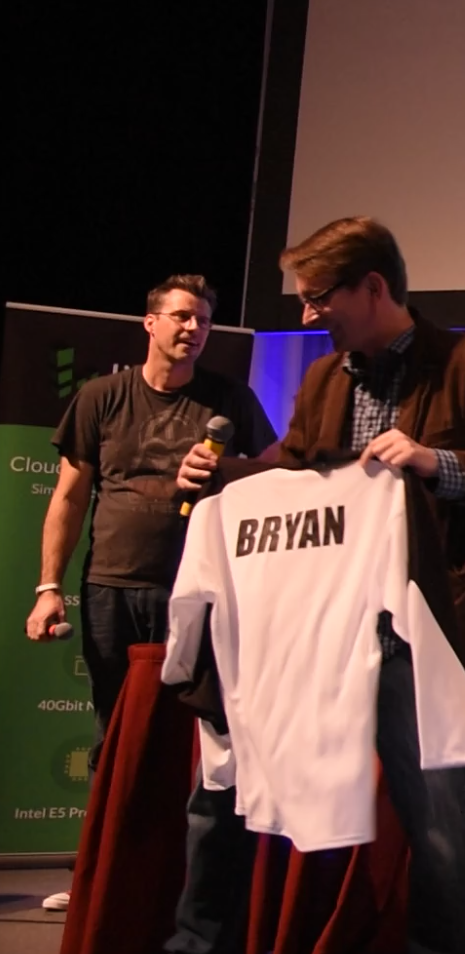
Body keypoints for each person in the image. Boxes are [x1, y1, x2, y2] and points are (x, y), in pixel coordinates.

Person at [165, 216, 465, 954]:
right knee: (246, 784)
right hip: (322, 623)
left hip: (425, 627)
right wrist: (222, 477)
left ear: (372, 287)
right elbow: (293, 466)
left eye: (318, 299)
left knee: (435, 813)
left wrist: (434, 461)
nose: (308, 316)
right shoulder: (322, 377)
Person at [23, 274, 276, 913]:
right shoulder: (101, 397)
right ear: (151, 323)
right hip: (111, 588)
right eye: (183, 317)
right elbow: (69, 497)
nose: (193, 330)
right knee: (118, 737)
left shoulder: (230, 400)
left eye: (204, 322)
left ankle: (188, 886)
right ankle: (101, 879)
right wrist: (48, 586)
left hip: (200, 593)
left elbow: (279, 471)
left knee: (202, 742)